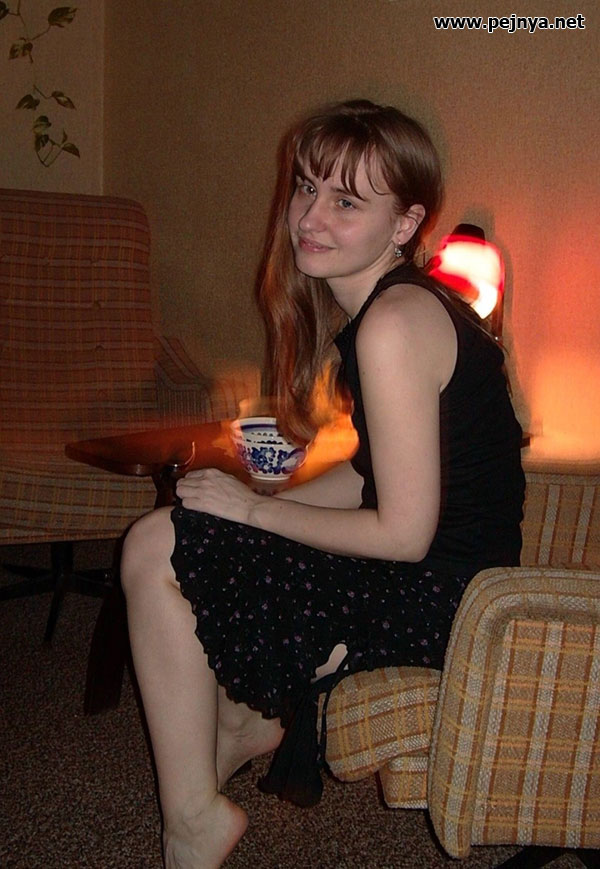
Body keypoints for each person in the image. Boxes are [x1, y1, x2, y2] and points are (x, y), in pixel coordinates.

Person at [121, 98, 525, 868]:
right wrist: (262, 506)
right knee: (194, 531)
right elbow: (373, 475)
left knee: (152, 547)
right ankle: (240, 730)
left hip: (446, 600)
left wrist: (253, 512)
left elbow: (402, 533)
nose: (310, 216)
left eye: (346, 201)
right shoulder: (393, 308)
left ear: (405, 223)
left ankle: (197, 819)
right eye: (307, 187)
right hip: (445, 576)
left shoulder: (394, 325)